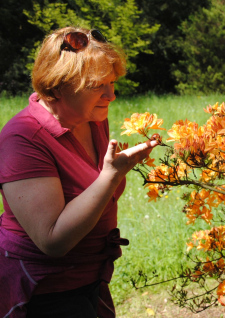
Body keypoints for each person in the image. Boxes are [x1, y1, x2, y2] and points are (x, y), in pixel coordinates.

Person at [0, 26, 159, 318]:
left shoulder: (93, 118)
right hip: (44, 291)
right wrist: (111, 175)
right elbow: (52, 241)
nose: (111, 95)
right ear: (58, 85)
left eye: (112, 83)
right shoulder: (23, 138)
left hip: (89, 281)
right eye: (98, 85)